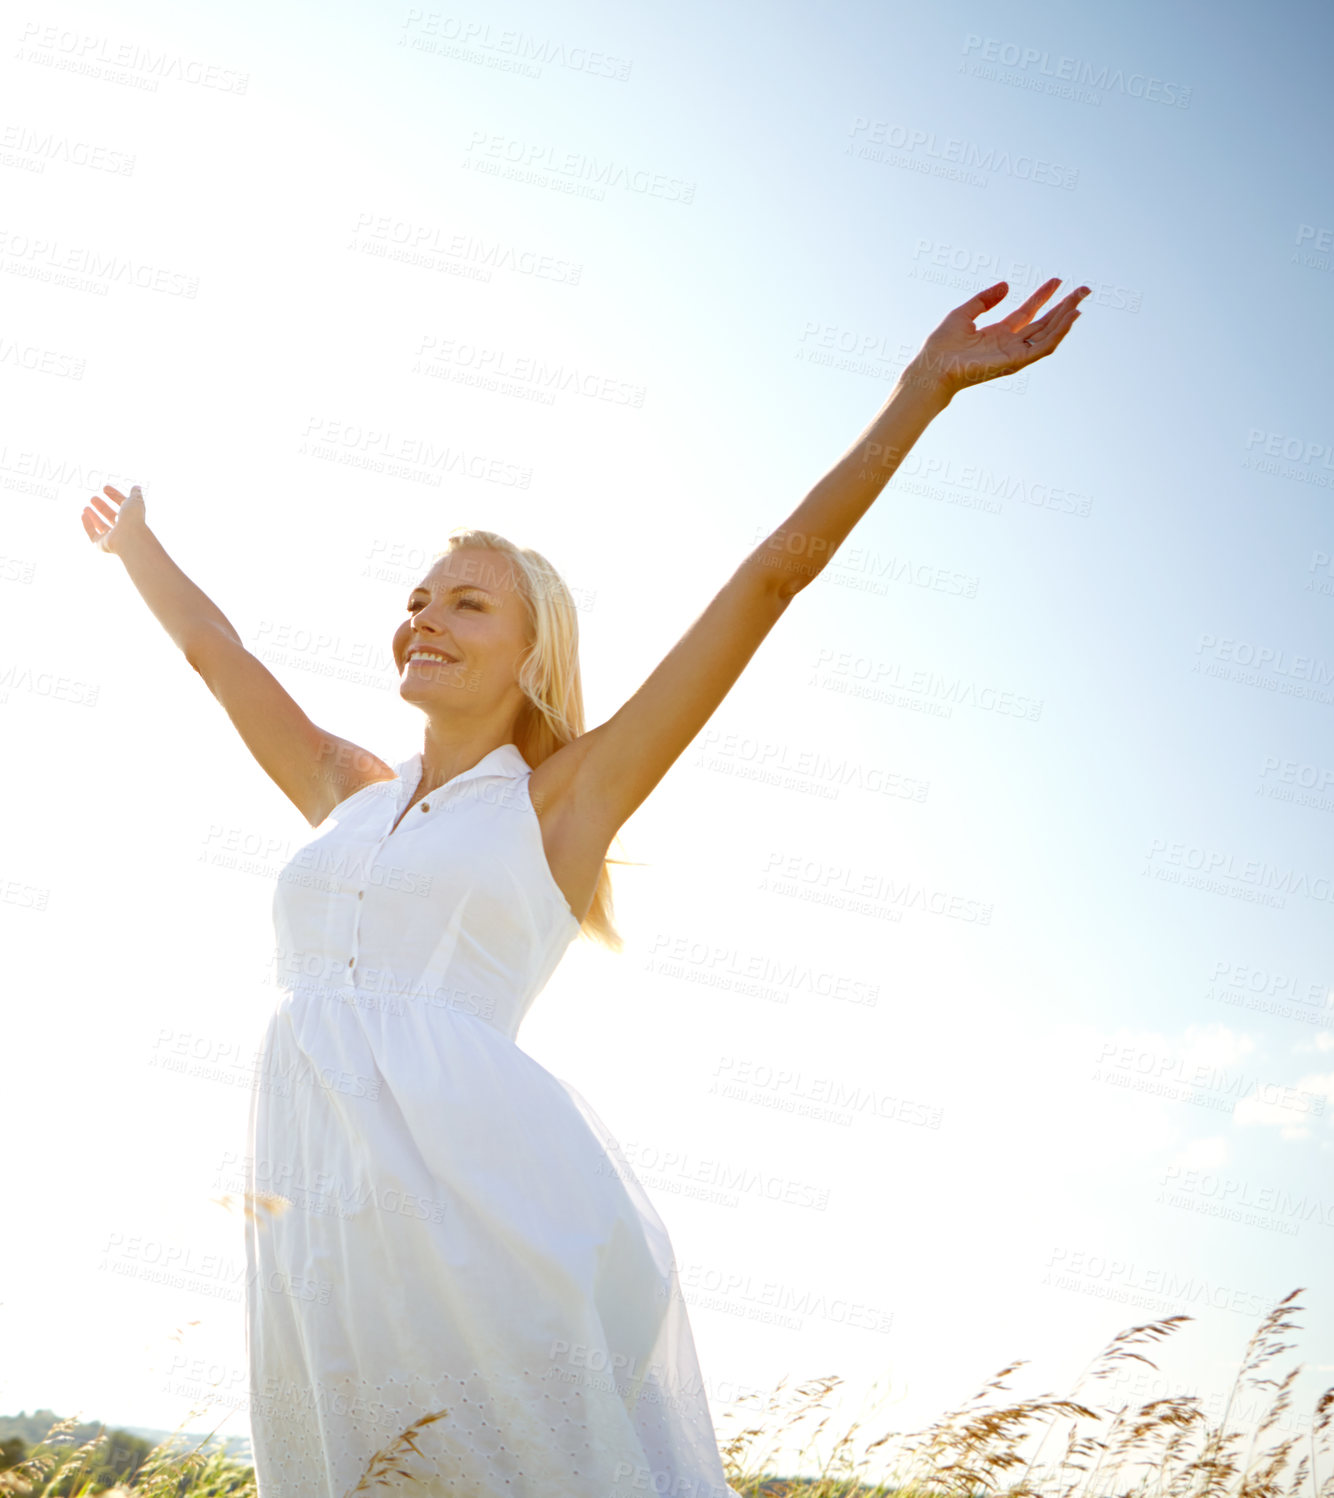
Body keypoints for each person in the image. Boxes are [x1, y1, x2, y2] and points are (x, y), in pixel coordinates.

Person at [81, 278, 1088, 1495]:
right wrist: (136, 545)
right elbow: (215, 652)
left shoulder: (563, 804)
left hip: (481, 1210)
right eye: (413, 600)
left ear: (529, 648)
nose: (421, 620)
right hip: (316, 1208)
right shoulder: (342, 789)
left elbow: (769, 581)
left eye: (465, 601)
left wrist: (917, 393)